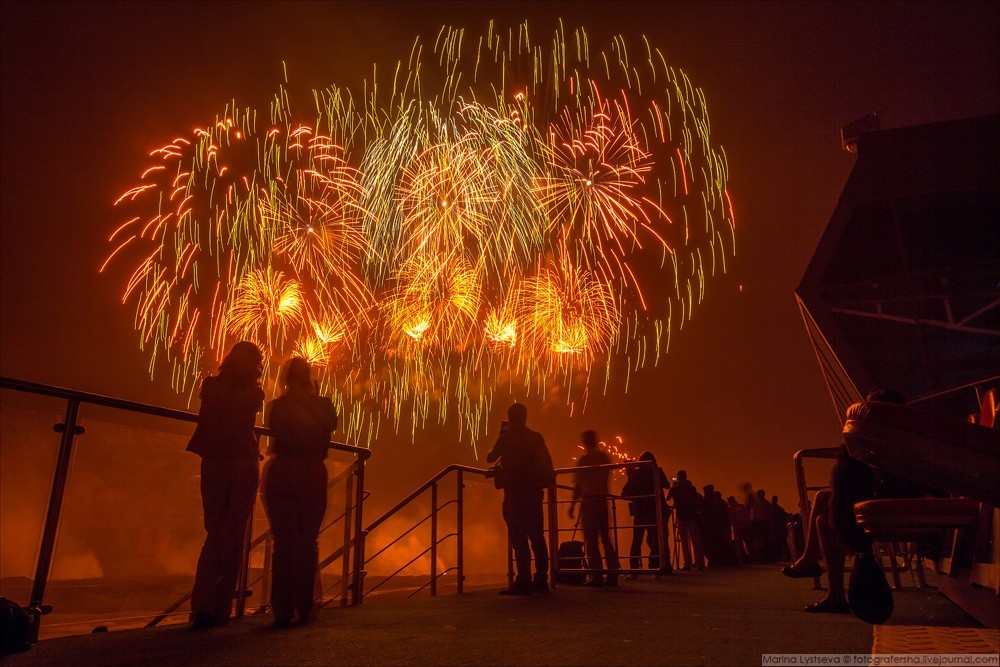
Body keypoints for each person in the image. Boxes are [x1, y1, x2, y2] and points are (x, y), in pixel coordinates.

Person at [186, 341, 265, 629]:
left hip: (214, 462)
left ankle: (201, 606)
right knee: (234, 536)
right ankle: (221, 608)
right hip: (242, 463)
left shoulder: (211, 386)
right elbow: (242, 425)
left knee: (214, 533)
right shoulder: (255, 393)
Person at [261, 358, 338, 627]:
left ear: (285, 378)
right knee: (308, 542)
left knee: (284, 544)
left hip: (282, 473)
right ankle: (305, 607)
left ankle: (282, 609)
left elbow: (277, 433)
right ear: (309, 378)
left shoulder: (277, 406)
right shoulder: (325, 405)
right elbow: (329, 426)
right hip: (313, 474)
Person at [487, 403, 555, 596]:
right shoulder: (535, 437)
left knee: (518, 539)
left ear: (510, 418)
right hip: (533, 494)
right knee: (537, 537)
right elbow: (545, 463)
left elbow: (490, 457)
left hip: (515, 495)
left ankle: (523, 580)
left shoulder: (507, 438)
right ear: (525, 417)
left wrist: (501, 436)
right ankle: (541, 579)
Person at [569, 430, 622, 587]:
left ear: (585, 442)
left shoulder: (584, 459)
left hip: (589, 501)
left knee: (591, 540)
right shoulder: (604, 457)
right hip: (602, 500)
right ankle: (613, 573)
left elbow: (578, 485)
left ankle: (596, 575)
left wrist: (572, 505)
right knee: (606, 538)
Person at [621, 451, 671, 576]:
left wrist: (630, 474)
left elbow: (625, 492)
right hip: (656, 511)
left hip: (641, 510)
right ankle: (657, 566)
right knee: (656, 541)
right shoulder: (657, 470)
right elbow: (667, 485)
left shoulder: (637, 473)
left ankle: (634, 569)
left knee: (636, 541)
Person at [667, 470, 705, 571]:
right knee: (695, 541)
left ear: (678, 478)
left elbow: (667, 498)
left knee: (684, 541)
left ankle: (687, 564)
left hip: (681, 516)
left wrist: (672, 487)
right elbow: (696, 498)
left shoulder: (675, 489)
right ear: (686, 477)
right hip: (691, 516)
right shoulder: (691, 488)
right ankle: (699, 563)